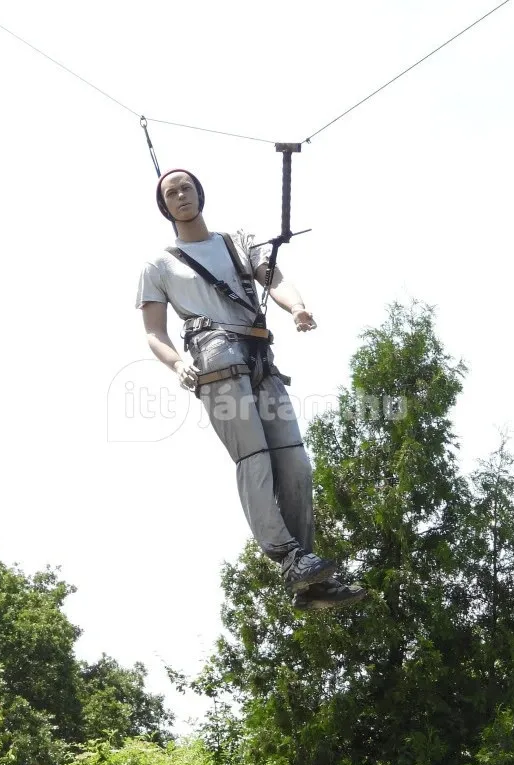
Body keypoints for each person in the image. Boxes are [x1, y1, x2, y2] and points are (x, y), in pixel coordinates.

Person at [136, 168, 368, 611]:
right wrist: (178, 364)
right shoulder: (159, 265)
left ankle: (308, 572)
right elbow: (153, 332)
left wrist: (297, 307)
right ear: (164, 207)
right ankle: (286, 555)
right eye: (171, 192)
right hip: (214, 358)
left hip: (260, 357)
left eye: (186, 187)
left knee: (295, 463)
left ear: (200, 193)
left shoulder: (235, 242)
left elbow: (273, 277)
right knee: (254, 458)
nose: (181, 195)